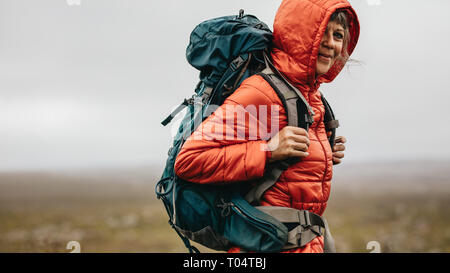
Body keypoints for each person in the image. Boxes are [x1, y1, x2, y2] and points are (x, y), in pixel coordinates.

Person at [174, 0, 360, 253]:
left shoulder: (310, 96)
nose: (331, 43)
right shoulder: (262, 92)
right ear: (300, 34)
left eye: (338, 35)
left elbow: (288, 175)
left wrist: (324, 152)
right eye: (321, 32)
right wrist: (268, 151)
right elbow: (190, 161)